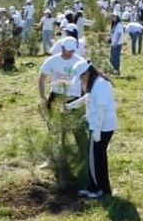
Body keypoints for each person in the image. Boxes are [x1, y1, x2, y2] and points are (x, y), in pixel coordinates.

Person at [65, 61, 117, 198]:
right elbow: (88, 98)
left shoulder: (100, 85)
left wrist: (98, 130)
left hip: (102, 127)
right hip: (99, 126)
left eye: (81, 77)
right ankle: (100, 188)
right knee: (98, 157)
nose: (81, 80)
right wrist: (70, 106)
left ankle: (98, 190)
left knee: (95, 159)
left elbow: (102, 108)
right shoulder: (95, 83)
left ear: (87, 73)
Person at [38, 36, 84, 110]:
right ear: (62, 47)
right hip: (57, 93)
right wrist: (43, 97)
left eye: (73, 50)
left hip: (74, 95)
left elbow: (86, 81)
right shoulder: (52, 61)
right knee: (51, 113)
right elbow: (42, 78)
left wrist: (83, 97)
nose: (71, 52)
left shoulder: (80, 61)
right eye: (68, 50)